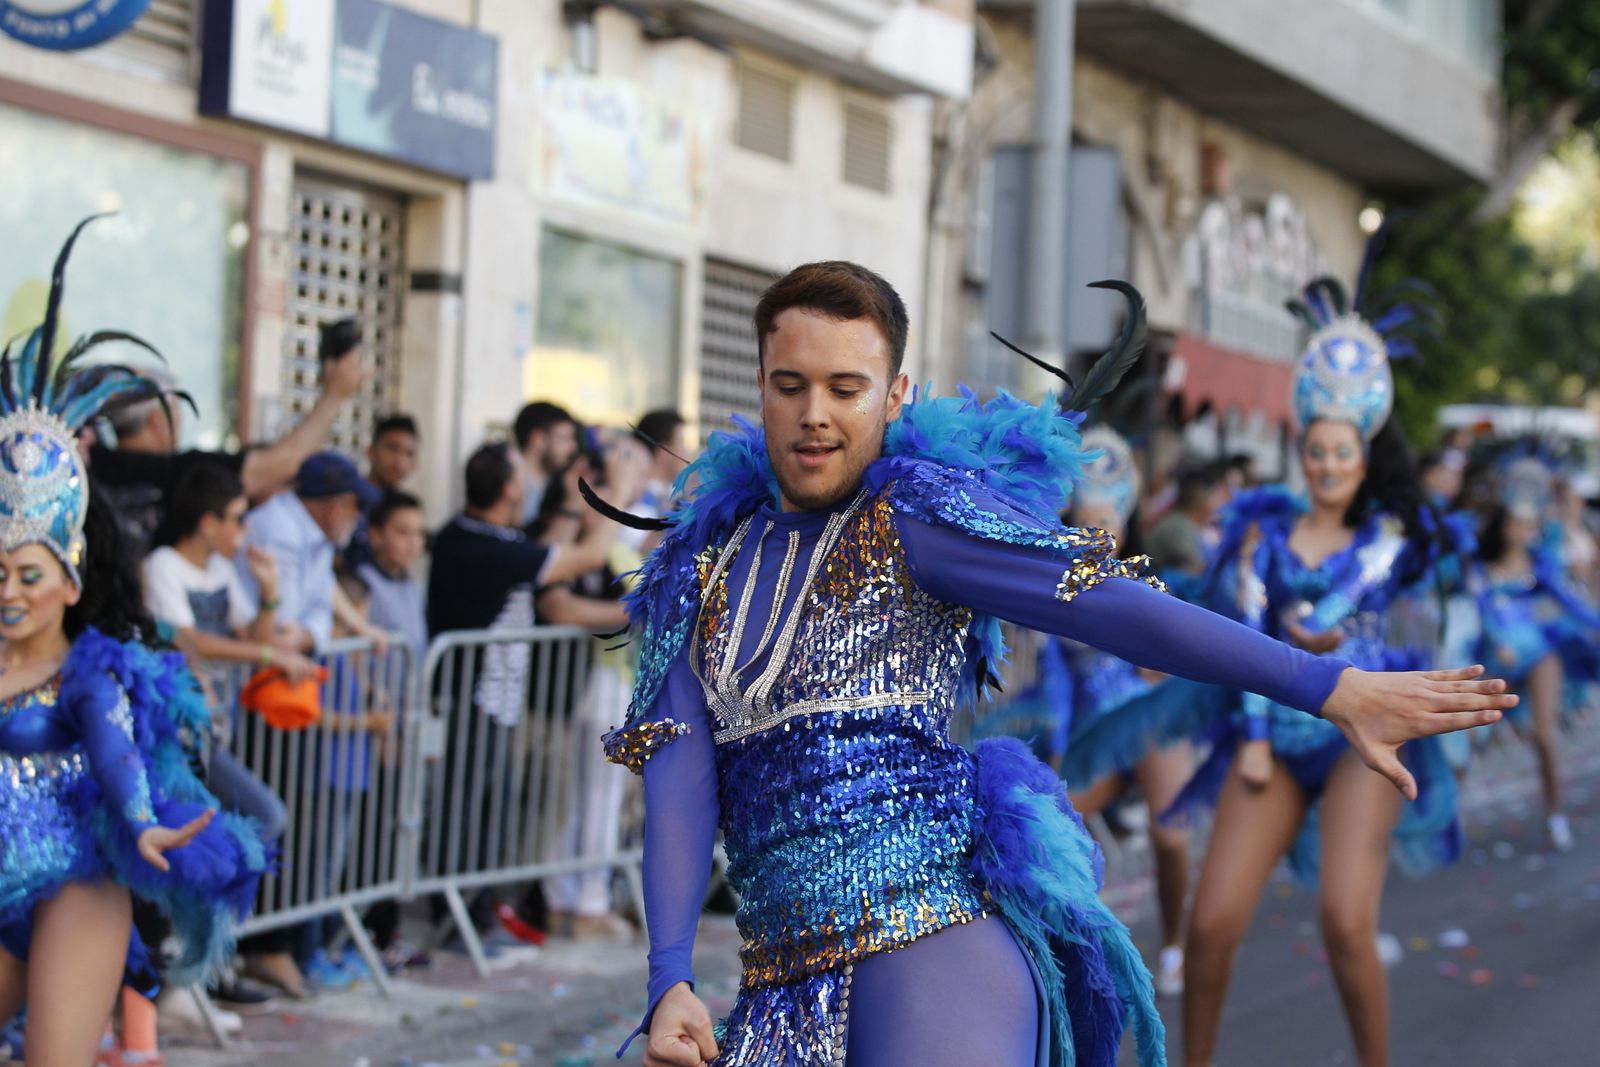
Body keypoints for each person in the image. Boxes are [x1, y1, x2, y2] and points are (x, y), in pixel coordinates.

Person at [600, 261, 1511, 1067]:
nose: (815, 415)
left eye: (846, 387)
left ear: (895, 392)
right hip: (776, 986)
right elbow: (679, 773)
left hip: (930, 951)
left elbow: (1112, 605)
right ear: (758, 383)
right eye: (790, 384)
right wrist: (670, 975)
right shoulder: (702, 565)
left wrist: (1328, 684)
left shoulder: (914, 517)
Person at [1176, 274, 1473, 1067]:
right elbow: (1244, 638)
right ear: (1301, 452)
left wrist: (1317, 622)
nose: (1329, 463)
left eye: (1344, 451)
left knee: (1346, 919)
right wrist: (1252, 741)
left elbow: (1346, 598)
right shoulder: (1260, 535)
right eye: (1316, 450)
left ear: (1363, 456)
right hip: (1271, 736)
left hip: (1361, 743)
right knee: (1208, 926)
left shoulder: (1385, 535)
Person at [0, 218, 269, 1064]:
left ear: (71, 582)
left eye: (28, 575)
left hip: (77, 885)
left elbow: (117, 757)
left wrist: (147, 826)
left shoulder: (89, 673)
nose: (9, 591)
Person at [90, 317, 368, 561]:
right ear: (158, 419)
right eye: (175, 408)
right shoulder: (182, 473)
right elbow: (287, 463)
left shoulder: (94, 465)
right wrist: (335, 394)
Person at [1469, 458, 1600, 853]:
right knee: (1469, 736)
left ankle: (1554, 812)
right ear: (1502, 524)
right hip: (1498, 659)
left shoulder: (1540, 567)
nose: (1522, 531)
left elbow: (1570, 603)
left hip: (1539, 652)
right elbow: (1483, 609)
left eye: (1529, 524)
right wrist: (1498, 641)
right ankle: (1442, 821)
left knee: (1544, 737)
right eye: (1515, 523)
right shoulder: (1481, 566)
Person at [238, 452, 381, 654]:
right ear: (335, 507)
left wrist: (308, 634)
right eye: (357, 506)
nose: (359, 516)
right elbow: (284, 626)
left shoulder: (318, 532)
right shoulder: (279, 530)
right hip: (245, 669)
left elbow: (322, 601)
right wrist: (309, 633)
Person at [355, 490, 429, 660]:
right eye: (403, 532)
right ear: (375, 535)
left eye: (419, 533)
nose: (413, 543)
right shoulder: (363, 584)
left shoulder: (413, 586)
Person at [512, 401, 580, 526]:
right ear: (538, 439)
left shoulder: (558, 482)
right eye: (565, 438)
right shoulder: (510, 488)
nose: (573, 447)